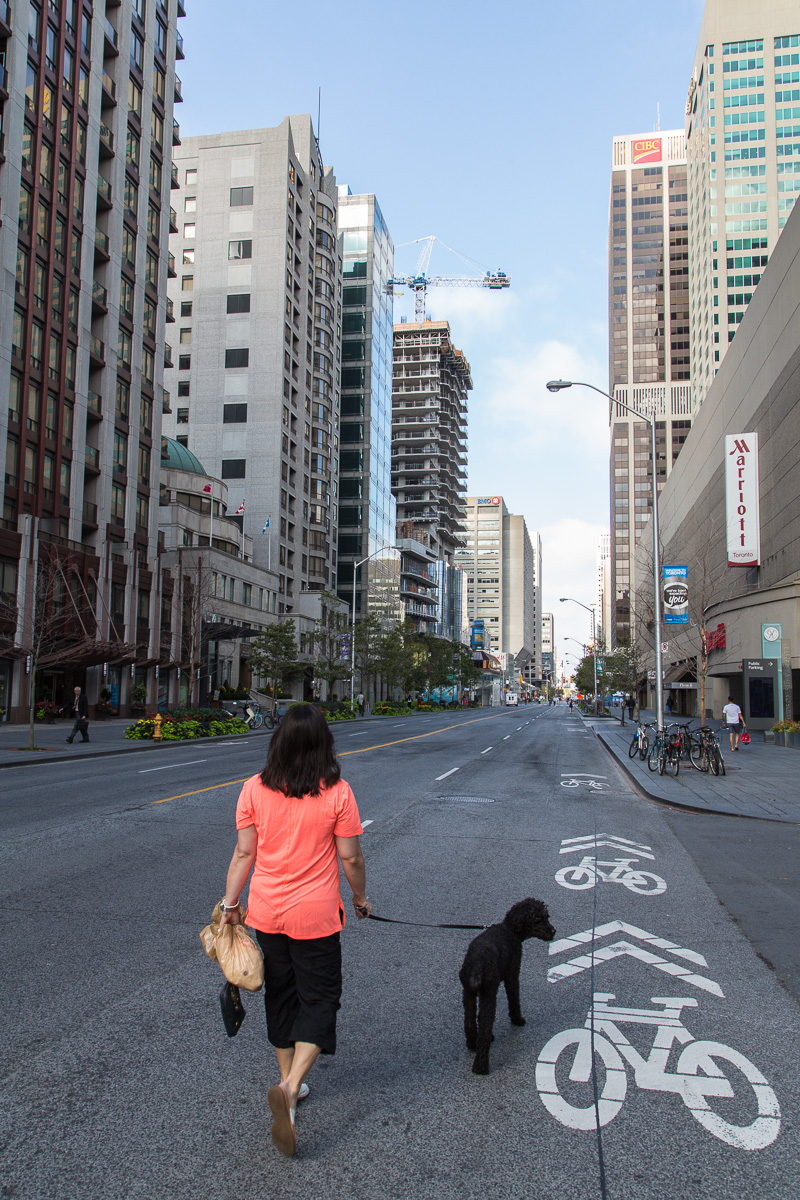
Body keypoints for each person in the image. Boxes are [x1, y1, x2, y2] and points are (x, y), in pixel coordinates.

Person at [218, 703, 371, 1157]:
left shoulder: (252, 789)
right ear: (325, 744)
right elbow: (351, 859)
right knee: (321, 998)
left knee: (281, 996)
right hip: (317, 917)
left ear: (278, 741)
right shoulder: (338, 792)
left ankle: (288, 1084)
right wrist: (360, 900)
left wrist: (230, 905)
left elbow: (244, 854)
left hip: (267, 914)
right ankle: (291, 1086)